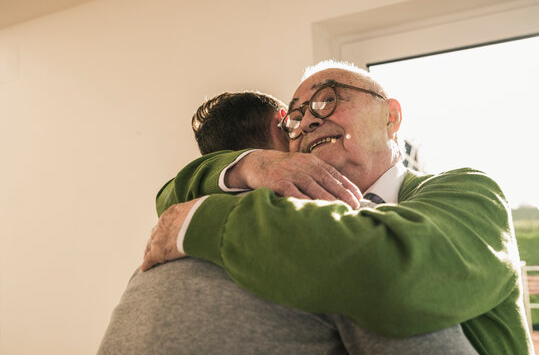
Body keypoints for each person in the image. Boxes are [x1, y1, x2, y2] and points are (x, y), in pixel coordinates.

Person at [142, 61, 534, 354]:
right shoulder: (295, 211)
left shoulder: (468, 190)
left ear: (391, 116)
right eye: (293, 121)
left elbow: (393, 273)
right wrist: (250, 165)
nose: (307, 122)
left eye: (326, 100)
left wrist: (200, 219)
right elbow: (169, 194)